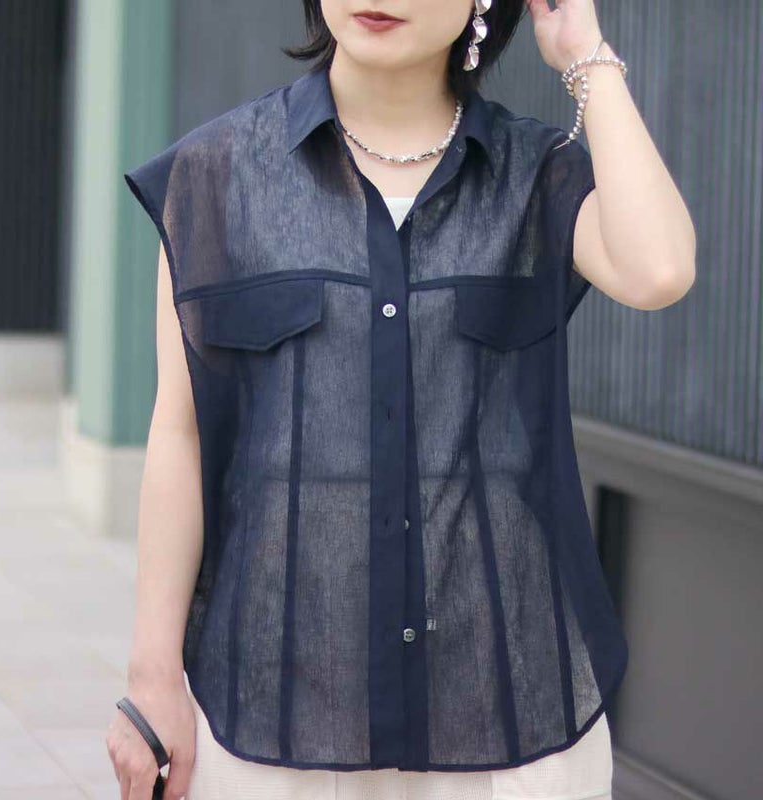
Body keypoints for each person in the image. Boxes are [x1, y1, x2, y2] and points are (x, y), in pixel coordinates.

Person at [105, 1, 696, 798]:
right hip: (274, 725)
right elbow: (179, 435)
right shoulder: (217, 176)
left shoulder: (535, 175)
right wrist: (151, 681)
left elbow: (659, 269)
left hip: (505, 724)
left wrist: (583, 52)